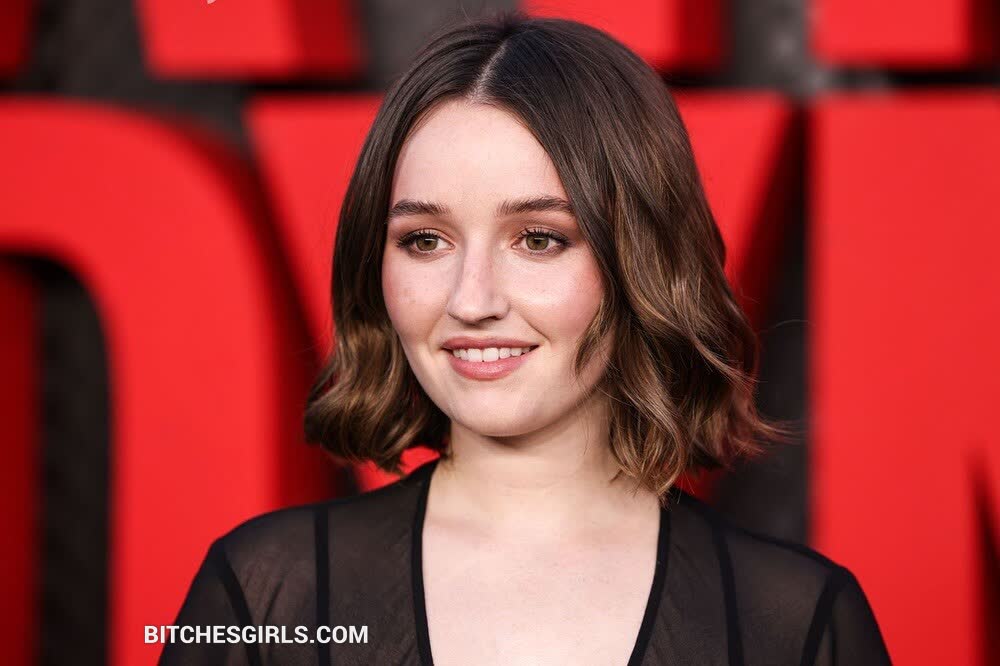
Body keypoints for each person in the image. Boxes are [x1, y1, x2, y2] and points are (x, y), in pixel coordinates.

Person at [161, 11, 891, 666]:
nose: (471, 300)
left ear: (642, 260)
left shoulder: (796, 623)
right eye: (425, 240)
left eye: (538, 239)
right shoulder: (264, 595)